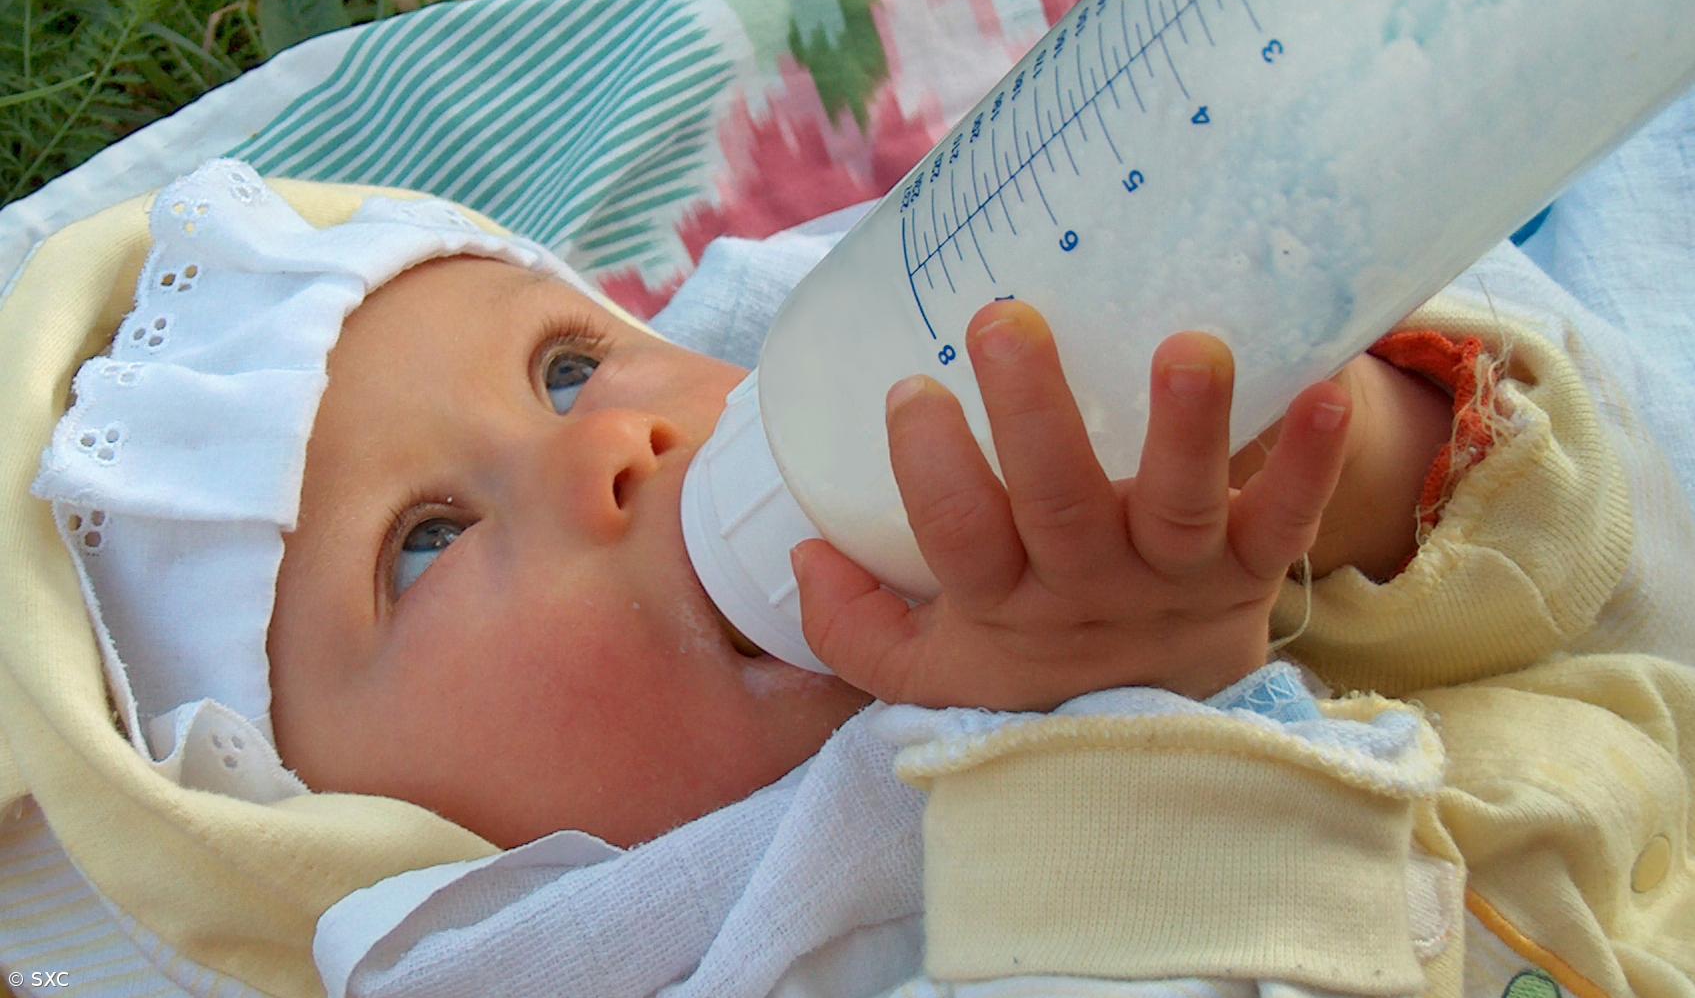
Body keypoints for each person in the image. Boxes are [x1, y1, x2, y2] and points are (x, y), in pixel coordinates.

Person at [11, 159, 1693, 997]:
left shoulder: (905, 412)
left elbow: (1608, 565)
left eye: (569, 368)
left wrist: (1325, 474)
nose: (618, 449)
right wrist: (1135, 737)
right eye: (427, 541)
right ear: (372, 848)